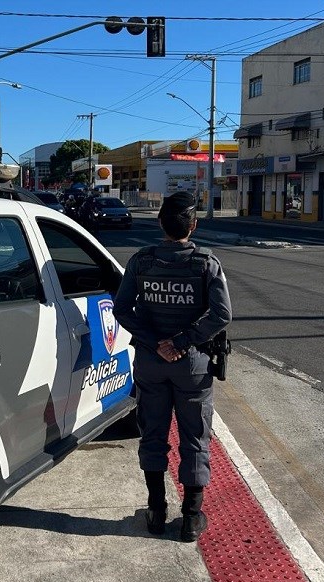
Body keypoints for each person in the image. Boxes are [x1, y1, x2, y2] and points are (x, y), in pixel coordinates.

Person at [113, 191, 231, 542]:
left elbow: (122, 310)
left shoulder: (141, 261)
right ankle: (191, 519)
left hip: (152, 362)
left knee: (153, 435)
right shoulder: (206, 263)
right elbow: (222, 314)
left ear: (160, 224)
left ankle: (156, 510)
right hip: (191, 364)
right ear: (193, 226)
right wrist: (181, 342)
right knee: (195, 437)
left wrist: (155, 343)